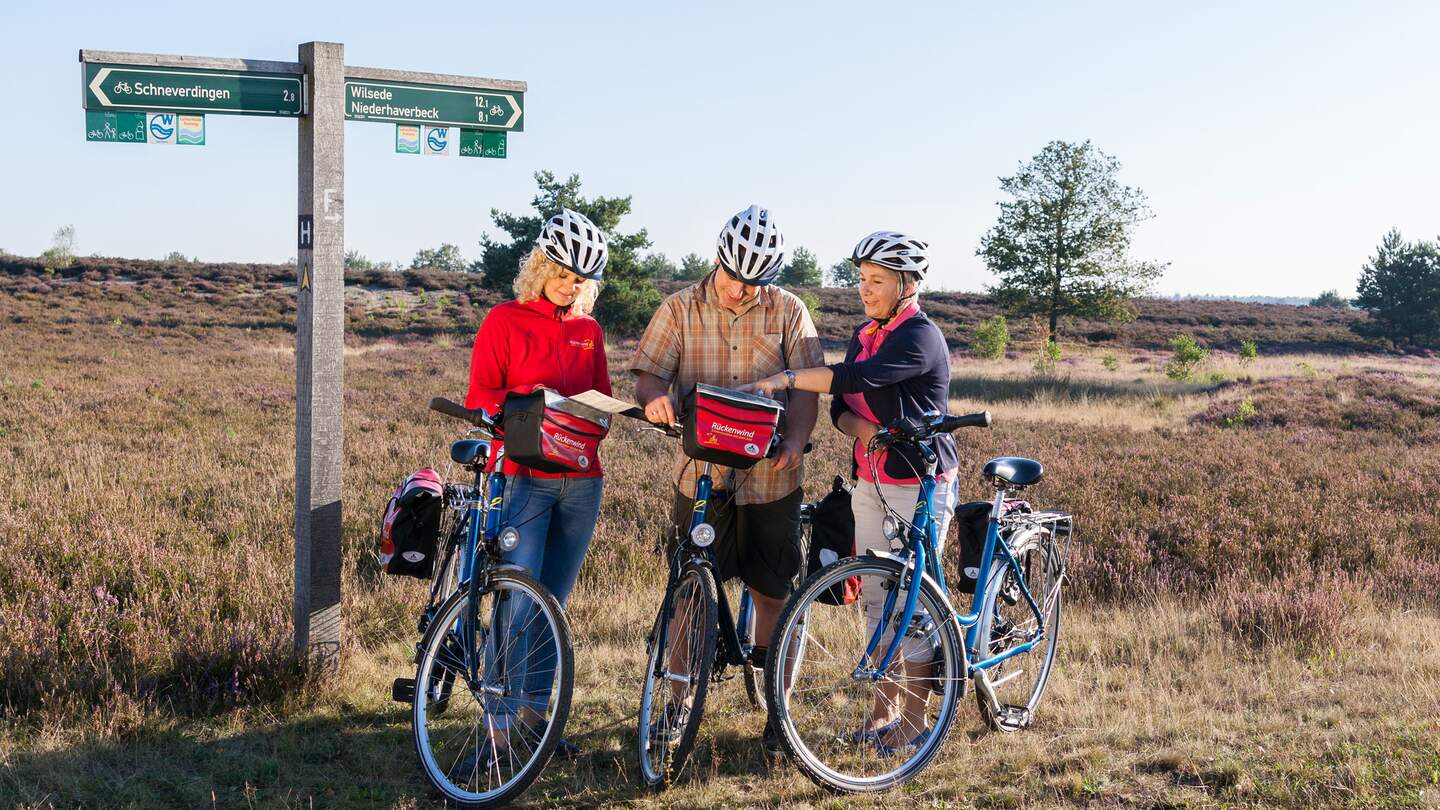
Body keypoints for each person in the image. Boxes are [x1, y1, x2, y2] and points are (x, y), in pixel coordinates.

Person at [742, 231, 958, 754]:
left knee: (911, 601)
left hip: (917, 482)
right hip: (870, 480)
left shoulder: (919, 337)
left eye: (877, 281)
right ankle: (882, 712)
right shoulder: (867, 332)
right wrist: (862, 432)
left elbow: (855, 378)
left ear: (907, 285)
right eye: (862, 279)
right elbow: (842, 407)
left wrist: (786, 378)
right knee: (876, 598)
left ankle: (915, 720)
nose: (865, 289)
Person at [631, 204, 824, 752]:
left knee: (772, 593)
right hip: (701, 478)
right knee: (690, 596)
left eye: (755, 281)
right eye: (736, 277)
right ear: (719, 258)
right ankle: (675, 705)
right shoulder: (679, 308)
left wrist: (794, 439)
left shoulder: (789, 310)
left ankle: (776, 712)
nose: (743, 289)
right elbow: (649, 374)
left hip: (772, 479)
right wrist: (657, 400)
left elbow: (807, 386)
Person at [464, 208, 612, 760]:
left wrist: (593, 412)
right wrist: (528, 407)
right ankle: (498, 730)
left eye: (581, 281)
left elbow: (602, 400)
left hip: (581, 480)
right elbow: (480, 395)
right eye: (563, 275)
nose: (572, 288)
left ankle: (535, 720)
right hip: (523, 477)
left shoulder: (588, 330)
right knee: (516, 601)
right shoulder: (504, 320)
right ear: (541, 267)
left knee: (553, 603)